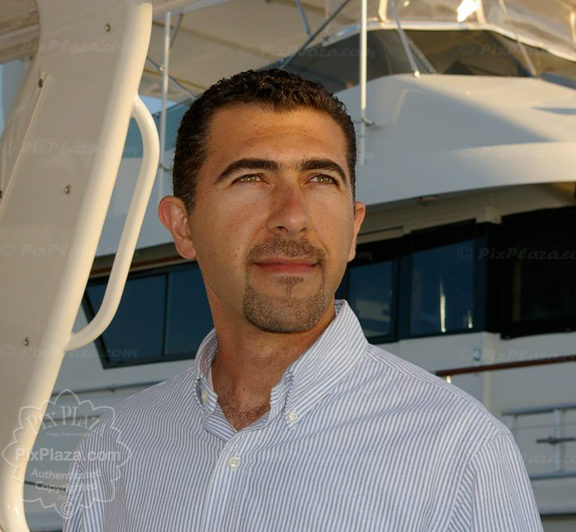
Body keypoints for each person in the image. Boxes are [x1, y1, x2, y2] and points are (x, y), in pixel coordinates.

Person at [64, 69, 542, 531]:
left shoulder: (461, 450)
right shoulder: (115, 446)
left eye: (320, 179)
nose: (293, 217)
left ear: (353, 229)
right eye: (251, 177)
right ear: (183, 226)